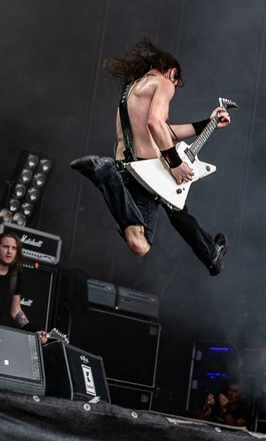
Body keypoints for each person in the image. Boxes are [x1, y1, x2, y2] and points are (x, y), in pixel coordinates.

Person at [70, 35, 231, 275]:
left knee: (141, 242)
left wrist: (205, 123)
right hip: (147, 170)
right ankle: (106, 175)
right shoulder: (164, 84)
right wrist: (174, 163)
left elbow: (165, 131)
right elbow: (156, 123)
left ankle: (211, 255)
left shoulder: (134, 88)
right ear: (172, 73)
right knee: (157, 227)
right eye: (176, 84)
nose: (173, 90)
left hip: (130, 167)